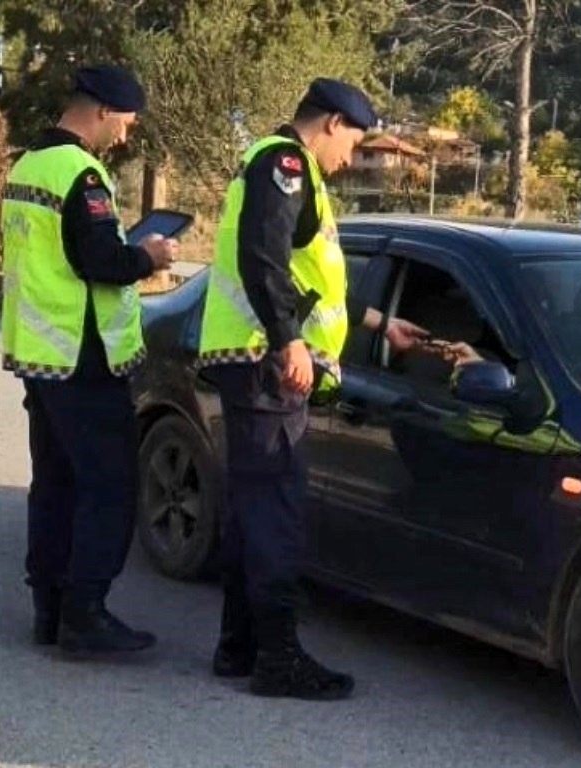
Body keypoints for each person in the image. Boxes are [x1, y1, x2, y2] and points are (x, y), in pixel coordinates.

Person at [196, 78, 428, 701]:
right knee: (276, 513)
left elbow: (311, 281)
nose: (351, 156)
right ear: (329, 123)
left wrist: (381, 323)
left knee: (253, 513)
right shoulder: (285, 163)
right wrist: (286, 341)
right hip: (264, 364)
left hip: (254, 361)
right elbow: (262, 258)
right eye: (353, 140)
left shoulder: (291, 171)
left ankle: (240, 648)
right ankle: (278, 659)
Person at [0, 64, 178, 655]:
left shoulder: (26, 165)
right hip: (84, 357)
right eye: (125, 123)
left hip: (39, 354)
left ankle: (48, 608)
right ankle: (86, 612)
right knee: (107, 485)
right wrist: (149, 256)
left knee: (53, 483)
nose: (125, 137)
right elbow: (101, 261)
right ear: (101, 110)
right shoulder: (82, 174)